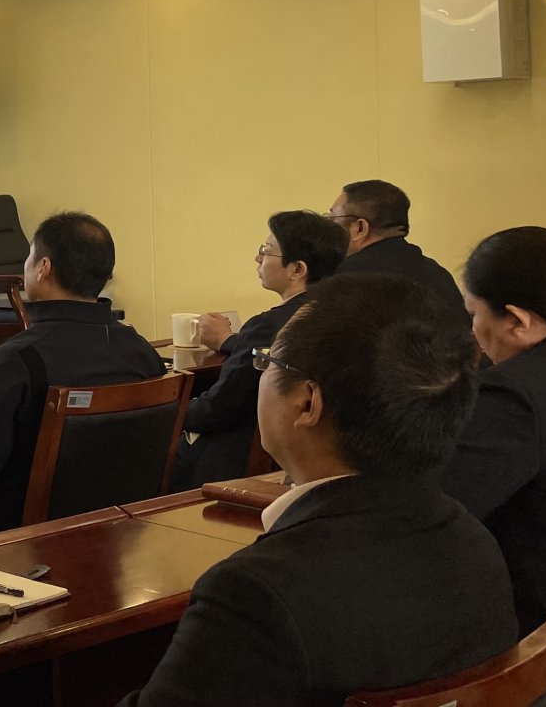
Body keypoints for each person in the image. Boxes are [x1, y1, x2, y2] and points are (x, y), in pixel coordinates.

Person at [122, 274, 516, 707]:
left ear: (308, 403)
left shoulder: (254, 593)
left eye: (267, 361)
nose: (262, 373)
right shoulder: (474, 540)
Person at [0, 212, 164, 542]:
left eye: (29, 257)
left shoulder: (20, 356)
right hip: (122, 522)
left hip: (25, 526)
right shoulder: (141, 351)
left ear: (43, 268)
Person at [440, 226, 546, 705]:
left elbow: (438, 507)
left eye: (474, 315)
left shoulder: (516, 394)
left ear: (518, 321)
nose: (473, 334)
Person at [170, 211, 346, 490]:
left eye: (266, 251)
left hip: (239, 461)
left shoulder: (268, 325)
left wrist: (167, 411)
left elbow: (218, 410)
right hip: (317, 454)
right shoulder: (339, 314)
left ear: (297, 270)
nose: (257, 258)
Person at [328, 179, 464, 317]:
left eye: (333, 219)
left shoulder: (340, 279)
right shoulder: (438, 274)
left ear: (360, 228)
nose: (327, 228)